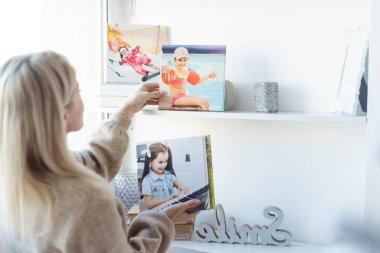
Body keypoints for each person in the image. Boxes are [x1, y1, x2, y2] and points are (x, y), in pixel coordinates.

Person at [0, 51, 201, 253]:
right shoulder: (88, 203)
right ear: (62, 114)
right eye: (78, 91)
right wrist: (159, 220)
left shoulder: (15, 181)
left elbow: (94, 163)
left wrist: (126, 110)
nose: (82, 98)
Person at [140, 143, 190, 209]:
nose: (164, 165)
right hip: (157, 215)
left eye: (166, 161)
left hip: (171, 210)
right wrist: (168, 199)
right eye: (160, 162)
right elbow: (149, 204)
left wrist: (182, 188)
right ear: (150, 162)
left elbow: (179, 184)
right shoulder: (147, 180)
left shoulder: (169, 175)